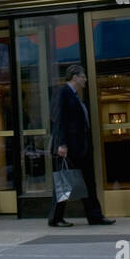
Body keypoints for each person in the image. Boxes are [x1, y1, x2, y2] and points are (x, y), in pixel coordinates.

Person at [48, 65, 115, 227]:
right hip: (69, 148)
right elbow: (59, 120)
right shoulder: (63, 93)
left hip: (81, 147)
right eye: (83, 76)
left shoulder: (76, 96)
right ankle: (55, 218)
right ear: (74, 77)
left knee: (89, 182)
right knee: (65, 183)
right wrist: (62, 144)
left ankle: (95, 217)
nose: (85, 79)